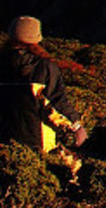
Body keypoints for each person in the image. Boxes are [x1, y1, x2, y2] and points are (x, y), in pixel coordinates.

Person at [0, 16, 88, 167]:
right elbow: (55, 104)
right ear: (36, 38)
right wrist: (76, 126)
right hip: (37, 143)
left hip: (3, 141)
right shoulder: (44, 67)